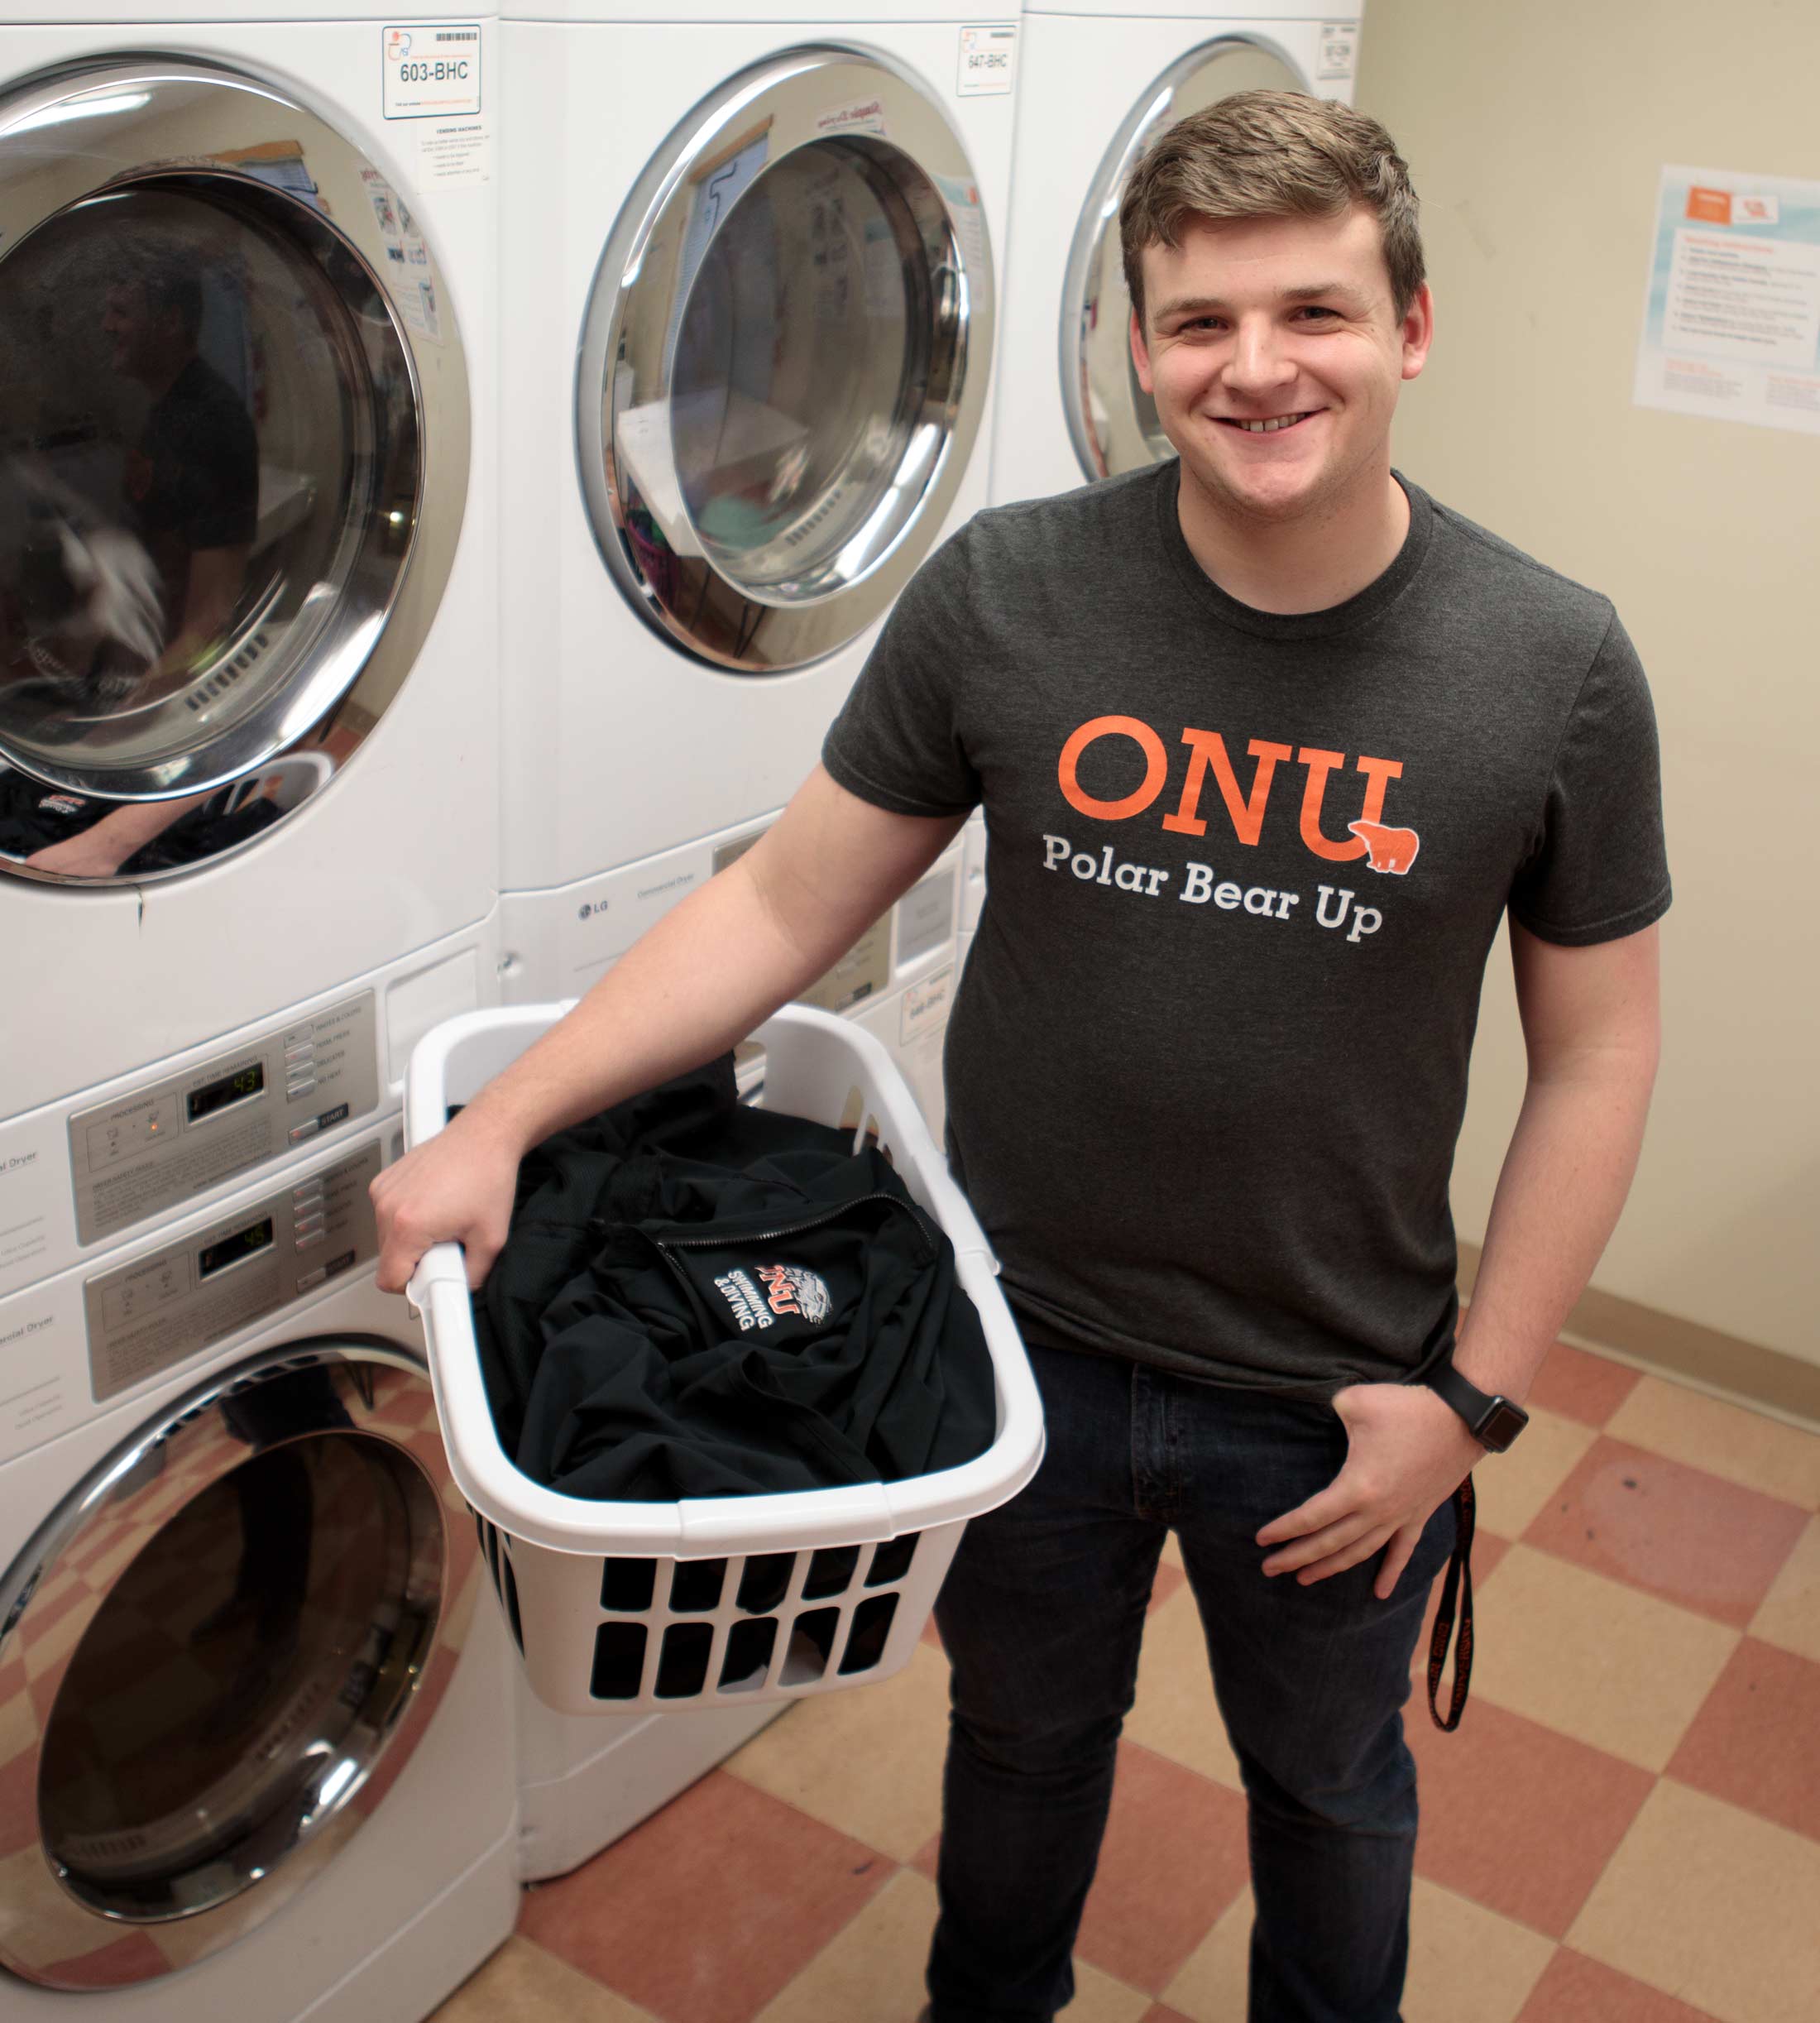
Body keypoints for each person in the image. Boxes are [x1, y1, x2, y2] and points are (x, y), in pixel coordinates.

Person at [371, 91, 1668, 2023]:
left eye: (1309, 312)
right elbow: (780, 902)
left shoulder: (1547, 661)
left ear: (1407, 327)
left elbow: (1598, 1054)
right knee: (1020, 1741)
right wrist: (510, 1118)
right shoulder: (1007, 595)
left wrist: (1466, 1403)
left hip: (1333, 1392)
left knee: (1326, 1785)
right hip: (1013, 1348)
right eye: (1194, 323)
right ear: (1136, 347)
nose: (1251, 370)